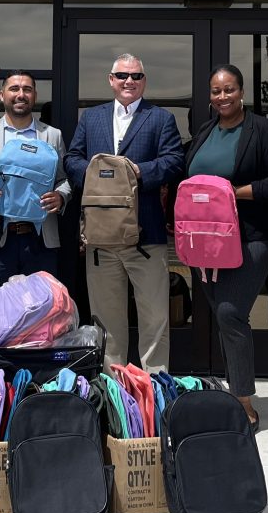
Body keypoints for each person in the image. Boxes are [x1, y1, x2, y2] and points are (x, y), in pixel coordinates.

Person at [184, 63, 268, 428]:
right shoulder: (205, 131)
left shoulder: (263, 130)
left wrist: (237, 193)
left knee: (231, 313)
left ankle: (243, 399)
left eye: (229, 89)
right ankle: (235, 387)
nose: (222, 97)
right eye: (216, 91)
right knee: (223, 315)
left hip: (252, 236)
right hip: (205, 240)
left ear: (242, 91)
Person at [65, 54, 184, 374]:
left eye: (135, 76)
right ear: (110, 79)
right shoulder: (91, 118)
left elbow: (174, 161)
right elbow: (72, 159)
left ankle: (154, 389)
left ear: (144, 81)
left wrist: (136, 172)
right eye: (122, 76)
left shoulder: (161, 118)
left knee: (155, 319)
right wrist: (96, 172)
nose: (128, 81)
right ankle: (115, 393)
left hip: (146, 238)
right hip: (101, 239)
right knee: (106, 321)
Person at [0, 71, 70, 288]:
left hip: (41, 241)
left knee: (41, 314)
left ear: (34, 95)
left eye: (27, 89)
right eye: (14, 89)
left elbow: (64, 179)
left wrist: (61, 196)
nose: (21, 94)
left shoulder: (52, 135)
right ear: (2, 94)